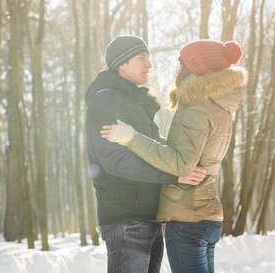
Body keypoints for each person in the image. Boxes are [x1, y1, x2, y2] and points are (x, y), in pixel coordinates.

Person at [101, 39, 248, 273]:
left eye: (181, 64)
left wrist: (132, 138)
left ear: (196, 67)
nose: (177, 70)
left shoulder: (197, 106)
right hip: (207, 214)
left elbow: (182, 163)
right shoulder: (220, 105)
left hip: (187, 215)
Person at [85, 35, 207, 273]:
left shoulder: (136, 102)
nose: (149, 65)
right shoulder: (105, 101)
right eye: (142, 58)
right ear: (122, 64)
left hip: (149, 215)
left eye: (149, 58)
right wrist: (173, 176)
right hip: (126, 218)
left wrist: (182, 161)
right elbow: (115, 160)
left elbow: (152, 149)